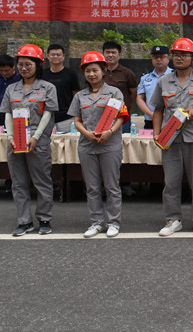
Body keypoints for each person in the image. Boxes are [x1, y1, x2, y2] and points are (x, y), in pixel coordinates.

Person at [151, 38, 193, 237]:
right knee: (171, 182)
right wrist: (156, 133)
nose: (179, 58)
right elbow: (158, 109)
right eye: (176, 55)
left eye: (184, 55)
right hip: (170, 138)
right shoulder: (163, 81)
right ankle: (172, 220)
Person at [68, 52, 129, 238]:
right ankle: (96, 222)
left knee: (111, 186)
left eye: (95, 70)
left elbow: (121, 116)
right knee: (92, 187)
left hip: (110, 145)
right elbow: (77, 120)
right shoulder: (80, 96)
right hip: (87, 146)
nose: (91, 74)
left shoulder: (114, 92)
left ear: (103, 71)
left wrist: (110, 132)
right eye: (87, 71)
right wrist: (86, 133)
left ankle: (113, 222)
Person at [1, 45, 58, 236]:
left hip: (37, 140)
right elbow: (8, 114)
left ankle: (44, 218)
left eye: (28, 64)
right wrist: (10, 137)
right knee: (18, 183)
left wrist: (35, 137)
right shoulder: (11, 89)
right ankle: (24, 221)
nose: (24, 68)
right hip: (15, 140)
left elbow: (48, 114)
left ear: (38, 65)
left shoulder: (48, 88)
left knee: (42, 181)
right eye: (20, 64)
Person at [42, 44, 80, 133]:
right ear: (48, 56)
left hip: (66, 118)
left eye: (58, 54)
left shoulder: (71, 74)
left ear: (63, 56)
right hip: (46, 117)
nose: (55, 57)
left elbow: (76, 95)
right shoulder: (42, 74)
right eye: (53, 54)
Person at [102, 41, 138, 132]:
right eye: (107, 52)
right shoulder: (98, 72)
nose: (110, 55)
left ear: (119, 54)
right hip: (101, 114)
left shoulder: (127, 73)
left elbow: (133, 94)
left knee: (123, 139)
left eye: (113, 52)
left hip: (121, 115)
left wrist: (124, 104)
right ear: (103, 54)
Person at [136, 46, 171, 131]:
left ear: (168, 58)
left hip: (170, 120)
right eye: (155, 57)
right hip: (150, 119)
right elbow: (139, 98)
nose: (158, 59)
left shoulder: (175, 76)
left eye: (161, 57)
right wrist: (151, 114)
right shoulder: (145, 78)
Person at [0, 54, 21, 126]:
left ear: (13, 66)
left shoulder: (20, 80)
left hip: (11, 114)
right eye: (1, 70)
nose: (4, 73)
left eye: (7, 70)